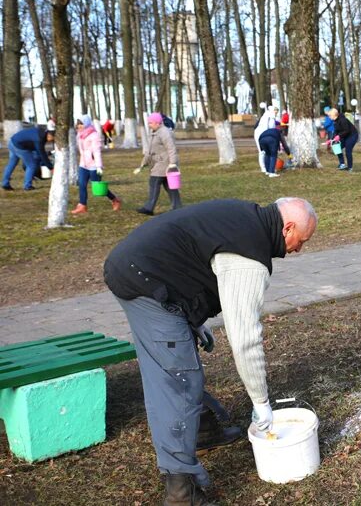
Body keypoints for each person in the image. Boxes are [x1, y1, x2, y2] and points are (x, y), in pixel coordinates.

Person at [104, 197, 317, 505]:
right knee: (178, 380)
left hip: (136, 269)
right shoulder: (249, 252)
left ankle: (202, 430)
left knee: (176, 363)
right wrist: (261, 402)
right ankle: (181, 491)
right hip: (144, 279)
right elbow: (244, 337)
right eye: (302, 240)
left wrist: (188, 318)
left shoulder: (246, 218)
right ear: (288, 228)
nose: (299, 249)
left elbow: (191, 255)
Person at [71, 115, 122, 214]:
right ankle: (82, 205)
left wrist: (99, 166)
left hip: (94, 165)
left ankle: (115, 199)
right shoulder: (80, 135)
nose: (79, 126)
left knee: (98, 187)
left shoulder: (94, 135)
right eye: (78, 124)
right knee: (82, 185)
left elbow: (96, 151)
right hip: (83, 164)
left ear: (86, 123)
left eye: (81, 124)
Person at [133, 112, 181, 216]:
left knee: (154, 182)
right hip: (159, 163)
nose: (149, 125)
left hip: (164, 163)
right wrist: (142, 165)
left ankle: (149, 208)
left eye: (150, 123)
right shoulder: (155, 132)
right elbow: (149, 151)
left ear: (157, 122)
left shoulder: (165, 133)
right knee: (169, 186)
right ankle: (177, 207)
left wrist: (172, 164)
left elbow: (171, 148)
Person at [2, 126, 54, 191]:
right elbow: (42, 154)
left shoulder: (41, 132)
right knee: (32, 165)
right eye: (53, 138)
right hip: (19, 146)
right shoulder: (39, 139)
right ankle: (27, 186)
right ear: (49, 135)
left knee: (12, 164)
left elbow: (35, 149)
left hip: (12, 141)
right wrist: (51, 167)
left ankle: (5, 183)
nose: (52, 140)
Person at [327, 107, 358, 171]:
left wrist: (339, 136)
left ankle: (350, 168)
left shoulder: (343, 120)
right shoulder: (335, 121)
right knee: (336, 147)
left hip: (352, 135)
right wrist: (331, 139)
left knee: (348, 151)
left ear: (333, 115)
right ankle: (342, 164)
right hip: (344, 136)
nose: (329, 117)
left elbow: (347, 130)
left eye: (330, 115)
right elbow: (336, 131)